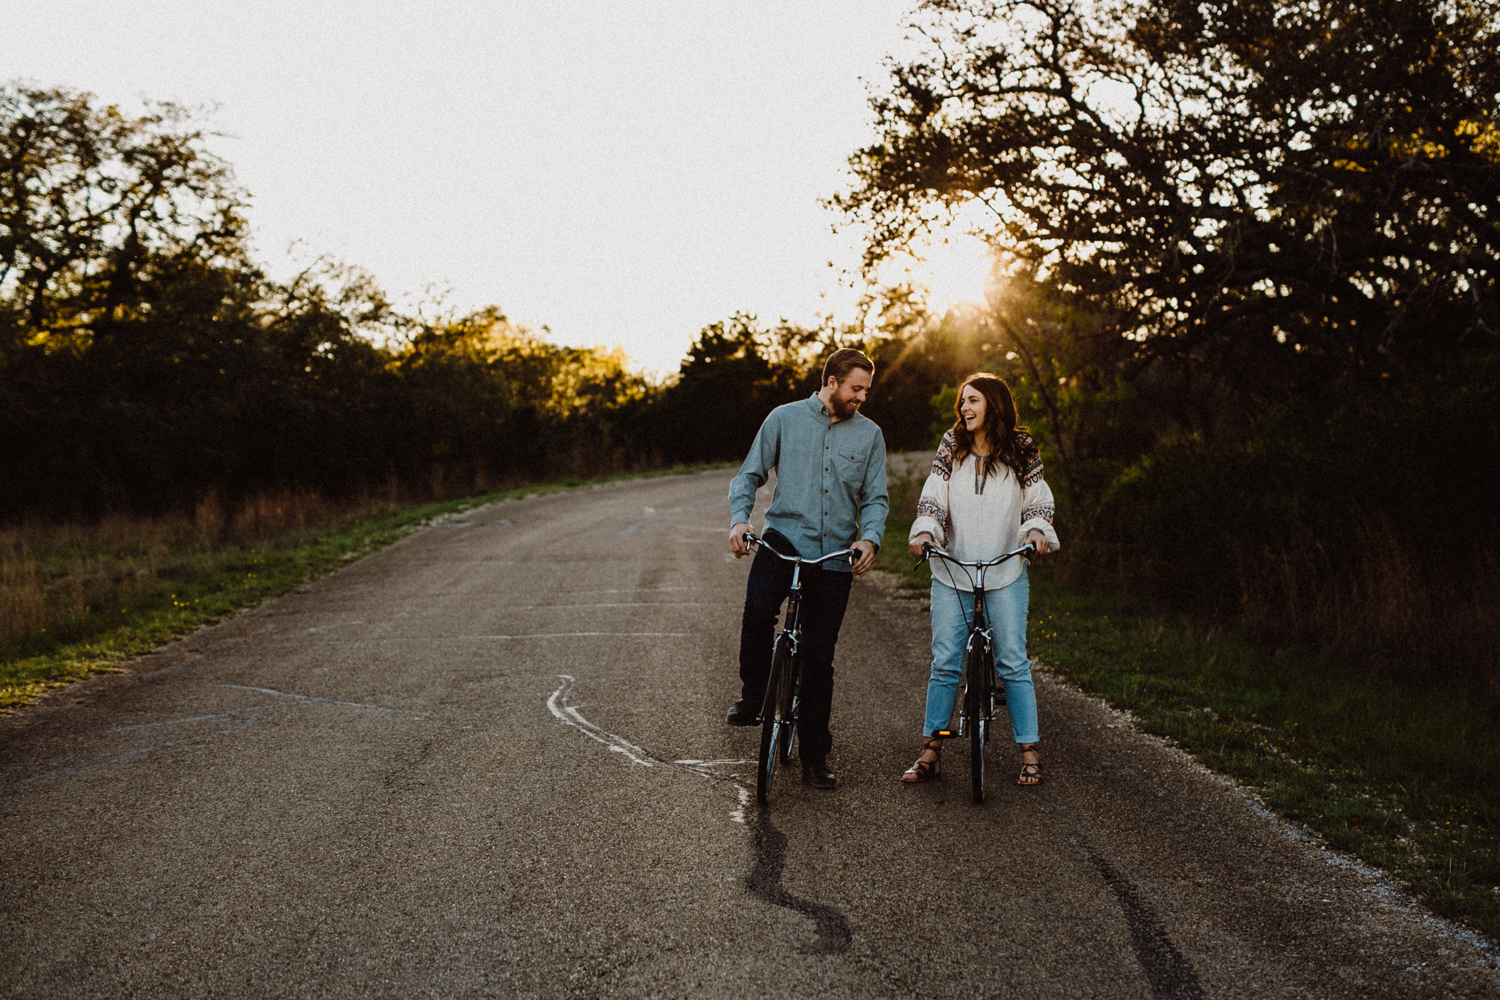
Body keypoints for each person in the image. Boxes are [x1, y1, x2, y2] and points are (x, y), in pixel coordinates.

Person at [725, 347, 889, 790]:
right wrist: (742, 519)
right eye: (856, 389)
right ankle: (754, 694)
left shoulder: (870, 435)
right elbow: (749, 475)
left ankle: (816, 755)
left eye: (866, 391)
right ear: (832, 381)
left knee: (820, 659)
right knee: (758, 610)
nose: (862, 398)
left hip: (835, 554)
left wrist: (868, 537)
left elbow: (874, 498)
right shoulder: (783, 418)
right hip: (783, 541)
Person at [903, 373, 1058, 786]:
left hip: (1004, 569)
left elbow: (1037, 499)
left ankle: (1029, 752)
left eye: (972, 401)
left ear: (993, 403)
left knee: (1012, 661)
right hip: (953, 569)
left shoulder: (1022, 448)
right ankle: (931, 751)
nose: (964, 409)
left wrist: (1037, 532)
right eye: (961, 403)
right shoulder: (951, 445)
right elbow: (934, 495)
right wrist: (924, 532)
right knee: (946, 663)